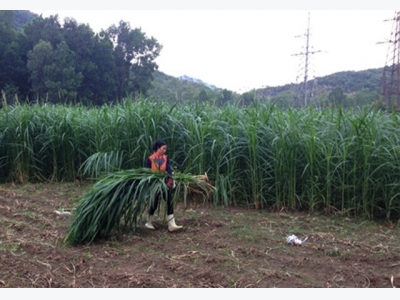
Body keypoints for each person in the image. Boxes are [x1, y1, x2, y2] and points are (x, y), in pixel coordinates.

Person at [145, 140, 182, 232]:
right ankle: (149, 222)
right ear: (158, 148)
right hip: (154, 184)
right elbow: (146, 172)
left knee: (169, 200)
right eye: (163, 148)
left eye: (165, 149)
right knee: (154, 202)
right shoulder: (150, 159)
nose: (165, 150)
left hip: (164, 183)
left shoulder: (166, 158)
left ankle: (171, 224)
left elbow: (169, 169)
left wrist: (170, 180)